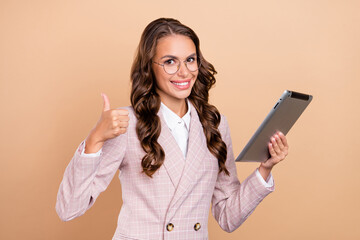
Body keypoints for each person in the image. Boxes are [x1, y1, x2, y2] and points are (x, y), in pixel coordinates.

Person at [56, 18, 289, 240]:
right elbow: (68, 209)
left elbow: (228, 217)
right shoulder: (127, 123)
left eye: (190, 59)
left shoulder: (214, 124)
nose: (184, 72)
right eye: (170, 61)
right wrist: (95, 139)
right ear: (150, 67)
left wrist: (265, 170)